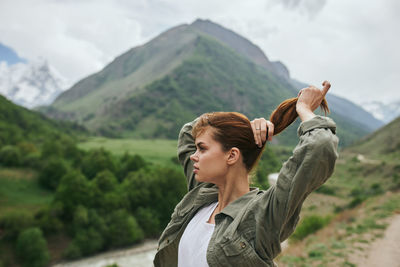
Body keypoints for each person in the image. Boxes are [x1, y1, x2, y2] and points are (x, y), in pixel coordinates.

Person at [153, 81, 339, 267]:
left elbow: (320, 146)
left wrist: (304, 108)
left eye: (202, 149)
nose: (193, 156)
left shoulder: (263, 215)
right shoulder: (202, 196)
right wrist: (246, 128)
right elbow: (188, 132)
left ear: (232, 155)